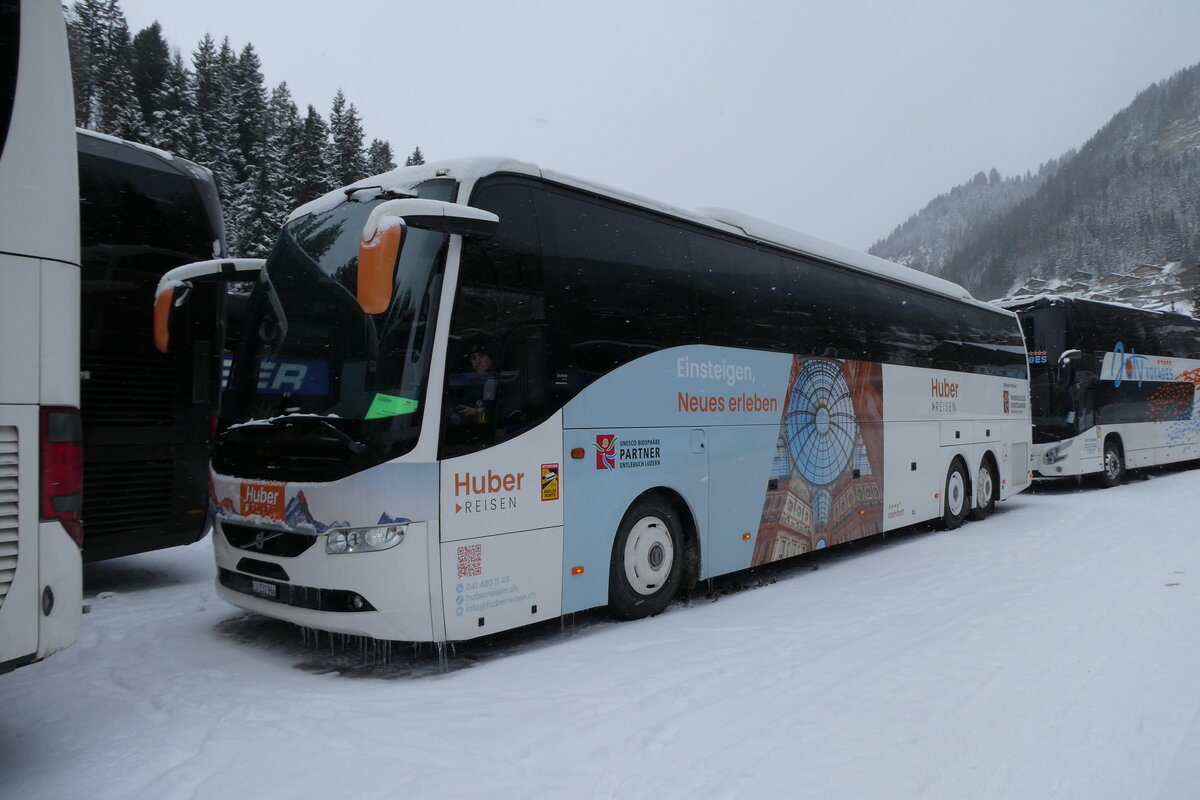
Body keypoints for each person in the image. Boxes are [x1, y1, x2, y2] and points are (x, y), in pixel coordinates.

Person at [449, 338, 498, 428]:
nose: (477, 361)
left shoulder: (500, 383)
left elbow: (492, 421)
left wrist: (475, 412)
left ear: (491, 358)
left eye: (481, 356)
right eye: (473, 357)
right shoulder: (464, 383)